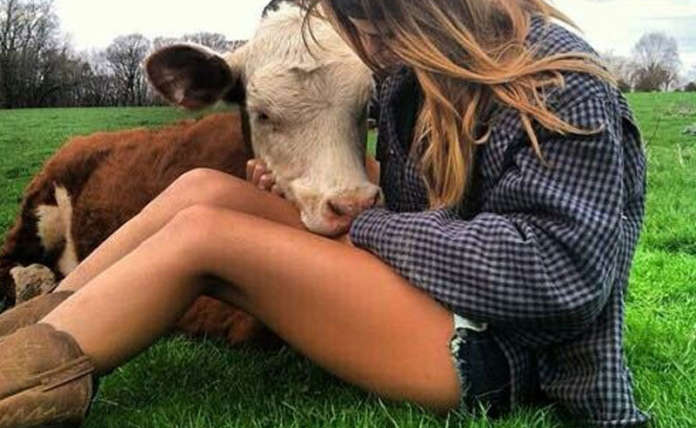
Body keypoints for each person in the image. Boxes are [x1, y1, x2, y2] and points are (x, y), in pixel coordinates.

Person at [0, 0, 649, 426]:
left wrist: (367, 223)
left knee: (206, 235)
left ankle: (29, 387)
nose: (363, 41)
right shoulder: (419, 74)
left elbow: (554, 275)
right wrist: (314, 184)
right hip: (440, 294)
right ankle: (32, 325)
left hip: (501, 352)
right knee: (204, 190)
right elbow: (439, 202)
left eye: (366, 22)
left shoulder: (560, 85)